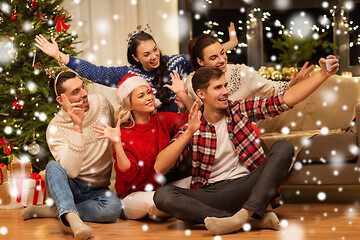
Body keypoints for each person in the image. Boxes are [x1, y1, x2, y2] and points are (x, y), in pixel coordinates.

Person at [153, 55, 339, 235]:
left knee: (284, 147)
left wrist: (322, 74)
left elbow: (285, 99)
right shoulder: (192, 125)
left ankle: (244, 214)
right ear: (201, 94)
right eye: (218, 88)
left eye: (225, 85)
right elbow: (160, 167)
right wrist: (188, 132)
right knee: (162, 195)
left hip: (247, 187)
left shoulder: (240, 109)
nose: (226, 91)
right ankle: (249, 221)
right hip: (211, 193)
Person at [34, 23, 238, 113]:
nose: (154, 56)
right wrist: (59, 55)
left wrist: (230, 45)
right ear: (135, 57)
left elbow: (204, 56)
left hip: (181, 125)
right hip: (152, 132)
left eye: (155, 50)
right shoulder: (130, 74)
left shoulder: (176, 62)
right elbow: (96, 72)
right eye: (146, 54)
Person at [21, 71, 122, 240]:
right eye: (75, 92)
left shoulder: (101, 103)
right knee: (53, 166)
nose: (84, 94)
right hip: (69, 186)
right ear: (61, 100)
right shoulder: (55, 128)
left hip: (98, 190)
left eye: (82, 87)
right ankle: (75, 222)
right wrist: (77, 126)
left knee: (113, 208)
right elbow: (72, 171)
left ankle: (60, 211)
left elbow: (120, 125)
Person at [92, 73, 193, 220]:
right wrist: (117, 143)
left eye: (148, 92)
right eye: (141, 96)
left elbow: (194, 118)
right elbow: (128, 175)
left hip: (161, 191)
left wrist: (181, 94)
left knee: (199, 180)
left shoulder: (161, 120)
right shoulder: (123, 133)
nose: (148, 97)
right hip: (131, 198)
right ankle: (170, 208)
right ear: (130, 104)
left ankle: (167, 209)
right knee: (156, 200)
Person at [184, 34, 315, 102]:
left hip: (244, 136)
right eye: (213, 58)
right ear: (200, 61)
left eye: (223, 53)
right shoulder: (191, 82)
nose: (222, 60)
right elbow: (189, 115)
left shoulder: (242, 73)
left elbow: (271, 89)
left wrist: (292, 84)